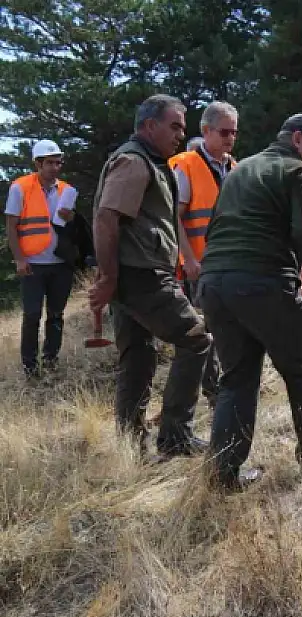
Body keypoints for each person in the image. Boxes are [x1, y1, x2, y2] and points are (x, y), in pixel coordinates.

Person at [198, 113, 302, 492]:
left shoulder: (239, 169)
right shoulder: (298, 171)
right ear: (298, 139)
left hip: (215, 284)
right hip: (260, 282)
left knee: (236, 379)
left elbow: (221, 225)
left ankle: (223, 475)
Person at [89, 94, 210, 458]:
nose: (180, 134)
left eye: (182, 128)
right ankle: (174, 437)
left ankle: (131, 447)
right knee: (197, 340)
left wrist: (112, 278)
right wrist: (108, 277)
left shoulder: (150, 161)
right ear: (149, 125)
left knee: (138, 357)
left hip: (133, 274)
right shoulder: (134, 161)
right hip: (141, 276)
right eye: (174, 126)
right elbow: (106, 218)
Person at [169, 100, 237, 407]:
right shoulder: (185, 165)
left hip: (230, 263)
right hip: (200, 266)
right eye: (224, 132)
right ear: (206, 130)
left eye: (234, 133)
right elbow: (175, 217)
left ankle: (226, 384)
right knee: (205, 330)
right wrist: (188, 260)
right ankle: (212, 391)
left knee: (228, 327)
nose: (230, 138)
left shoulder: (233, 167)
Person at [5, 139, 78, 379]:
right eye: (50, 163)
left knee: (56, 314)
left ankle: (50, 361)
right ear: (38, 163)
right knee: (32, 315)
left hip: (60, 265)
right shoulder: (20, 187)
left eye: (58, 163)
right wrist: (19, 259)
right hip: (33, 264)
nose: (55, 167)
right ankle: (29, 367)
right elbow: (11, 226)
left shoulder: (67, 190)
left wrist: (70, 218)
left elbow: (72, 228)